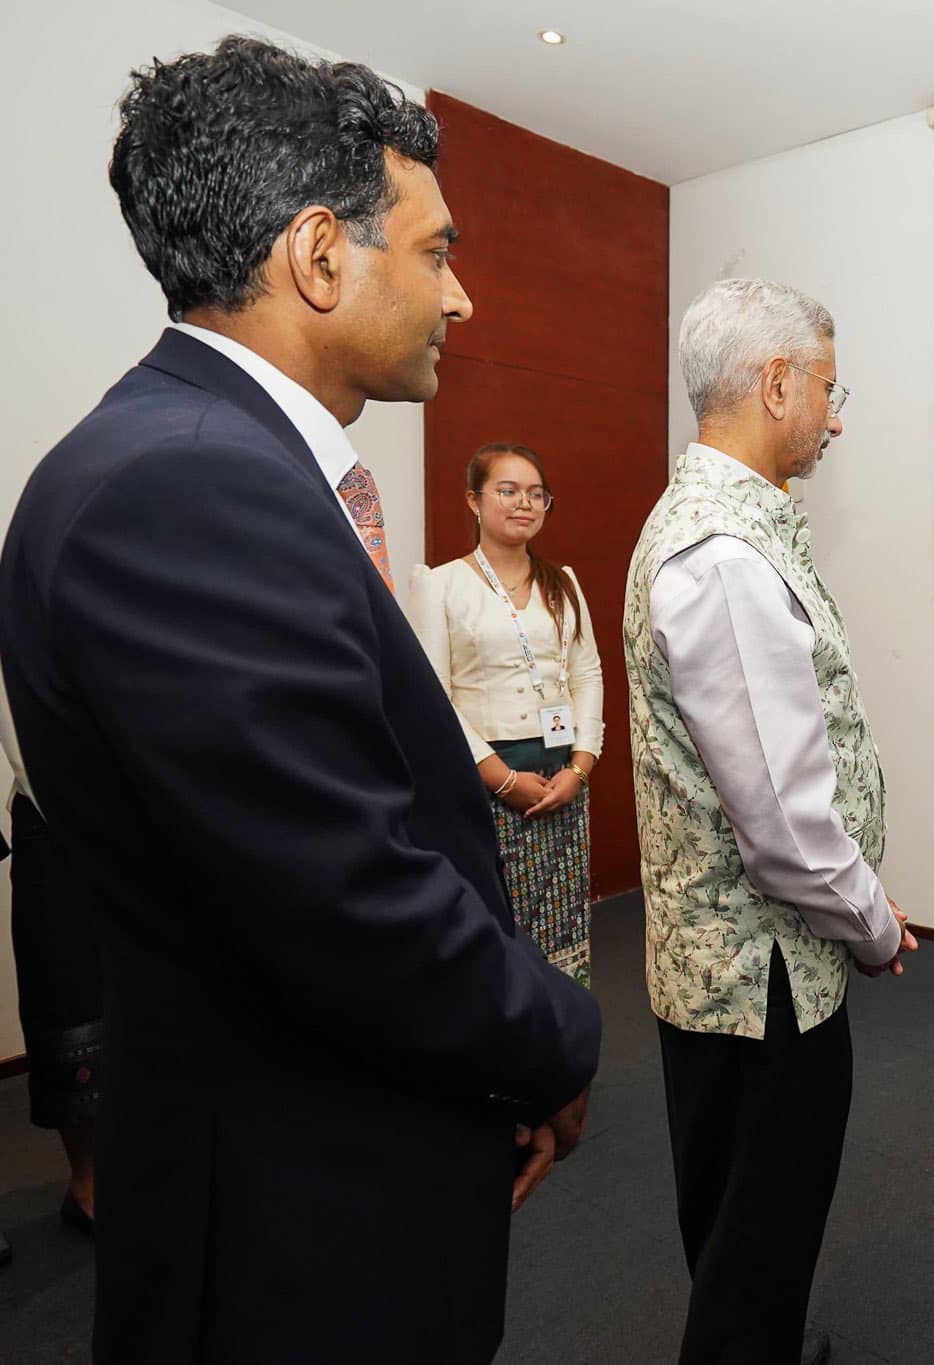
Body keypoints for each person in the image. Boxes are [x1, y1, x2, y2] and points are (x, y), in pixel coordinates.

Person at [0, 39, 600, 1361]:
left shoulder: (201, 460)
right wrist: (557, 1037)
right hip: (296, 1205)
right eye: (438, 252)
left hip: (301, 1147)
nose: (466, 299)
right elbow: (344, 899)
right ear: (321, 256)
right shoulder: (189, 488)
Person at [626, 278, 915, 1365]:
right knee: (757, 1242)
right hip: (764, 991)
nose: (835, 418)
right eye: (828, 391)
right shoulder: (725, 557)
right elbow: (784, 831)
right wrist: (872, 925)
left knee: (744, 1232)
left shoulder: (710, 524)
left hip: (738, 976)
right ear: (776, 382)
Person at [408, 442, 604, 984]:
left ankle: (562, 1050)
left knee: (562, 926)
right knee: (494, 924)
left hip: (561, 779)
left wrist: (580, 767)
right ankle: (503, 1059)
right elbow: (433, 697)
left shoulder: (562, 583)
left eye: (537, 494)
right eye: (508, 491)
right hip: (484, 779)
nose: (525, 504)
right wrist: (501, 779)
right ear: (474, 500)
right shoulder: (441, 584)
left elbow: (586, 674)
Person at [1, 661, 103, 1248]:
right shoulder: (22, 575)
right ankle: (87, 1186)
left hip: (141, 807)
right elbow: (19, 719)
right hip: (56, 814)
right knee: (70, 1004)